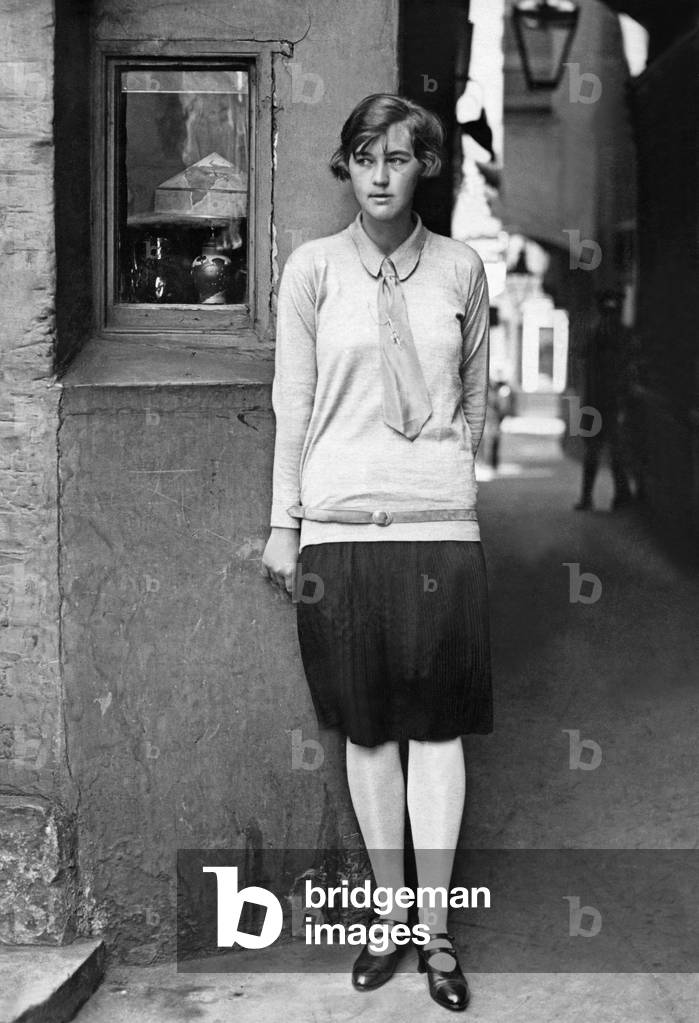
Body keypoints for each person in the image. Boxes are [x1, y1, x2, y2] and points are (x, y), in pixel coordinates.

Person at [261, 94, 493, 1012]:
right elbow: (293, 401)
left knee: (435, 728)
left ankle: (437, 932)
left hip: (438, 525)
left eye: (400, 157)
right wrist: (287, 523)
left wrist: (444, 476)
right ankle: (389, 918)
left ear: (423, 166)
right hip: (339, 528)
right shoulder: (312, 271)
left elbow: (475, 391)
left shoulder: (462, 269)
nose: (383, 173)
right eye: (366, 157)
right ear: (347, 167)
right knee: (367, 728)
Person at [574, 290, 634, 511]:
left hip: (604, 402)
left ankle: (610, 496)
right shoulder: (606, 336)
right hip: (603, 402)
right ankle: (613, 497)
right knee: (605, 451)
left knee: (607, 451)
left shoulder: (599, 335)